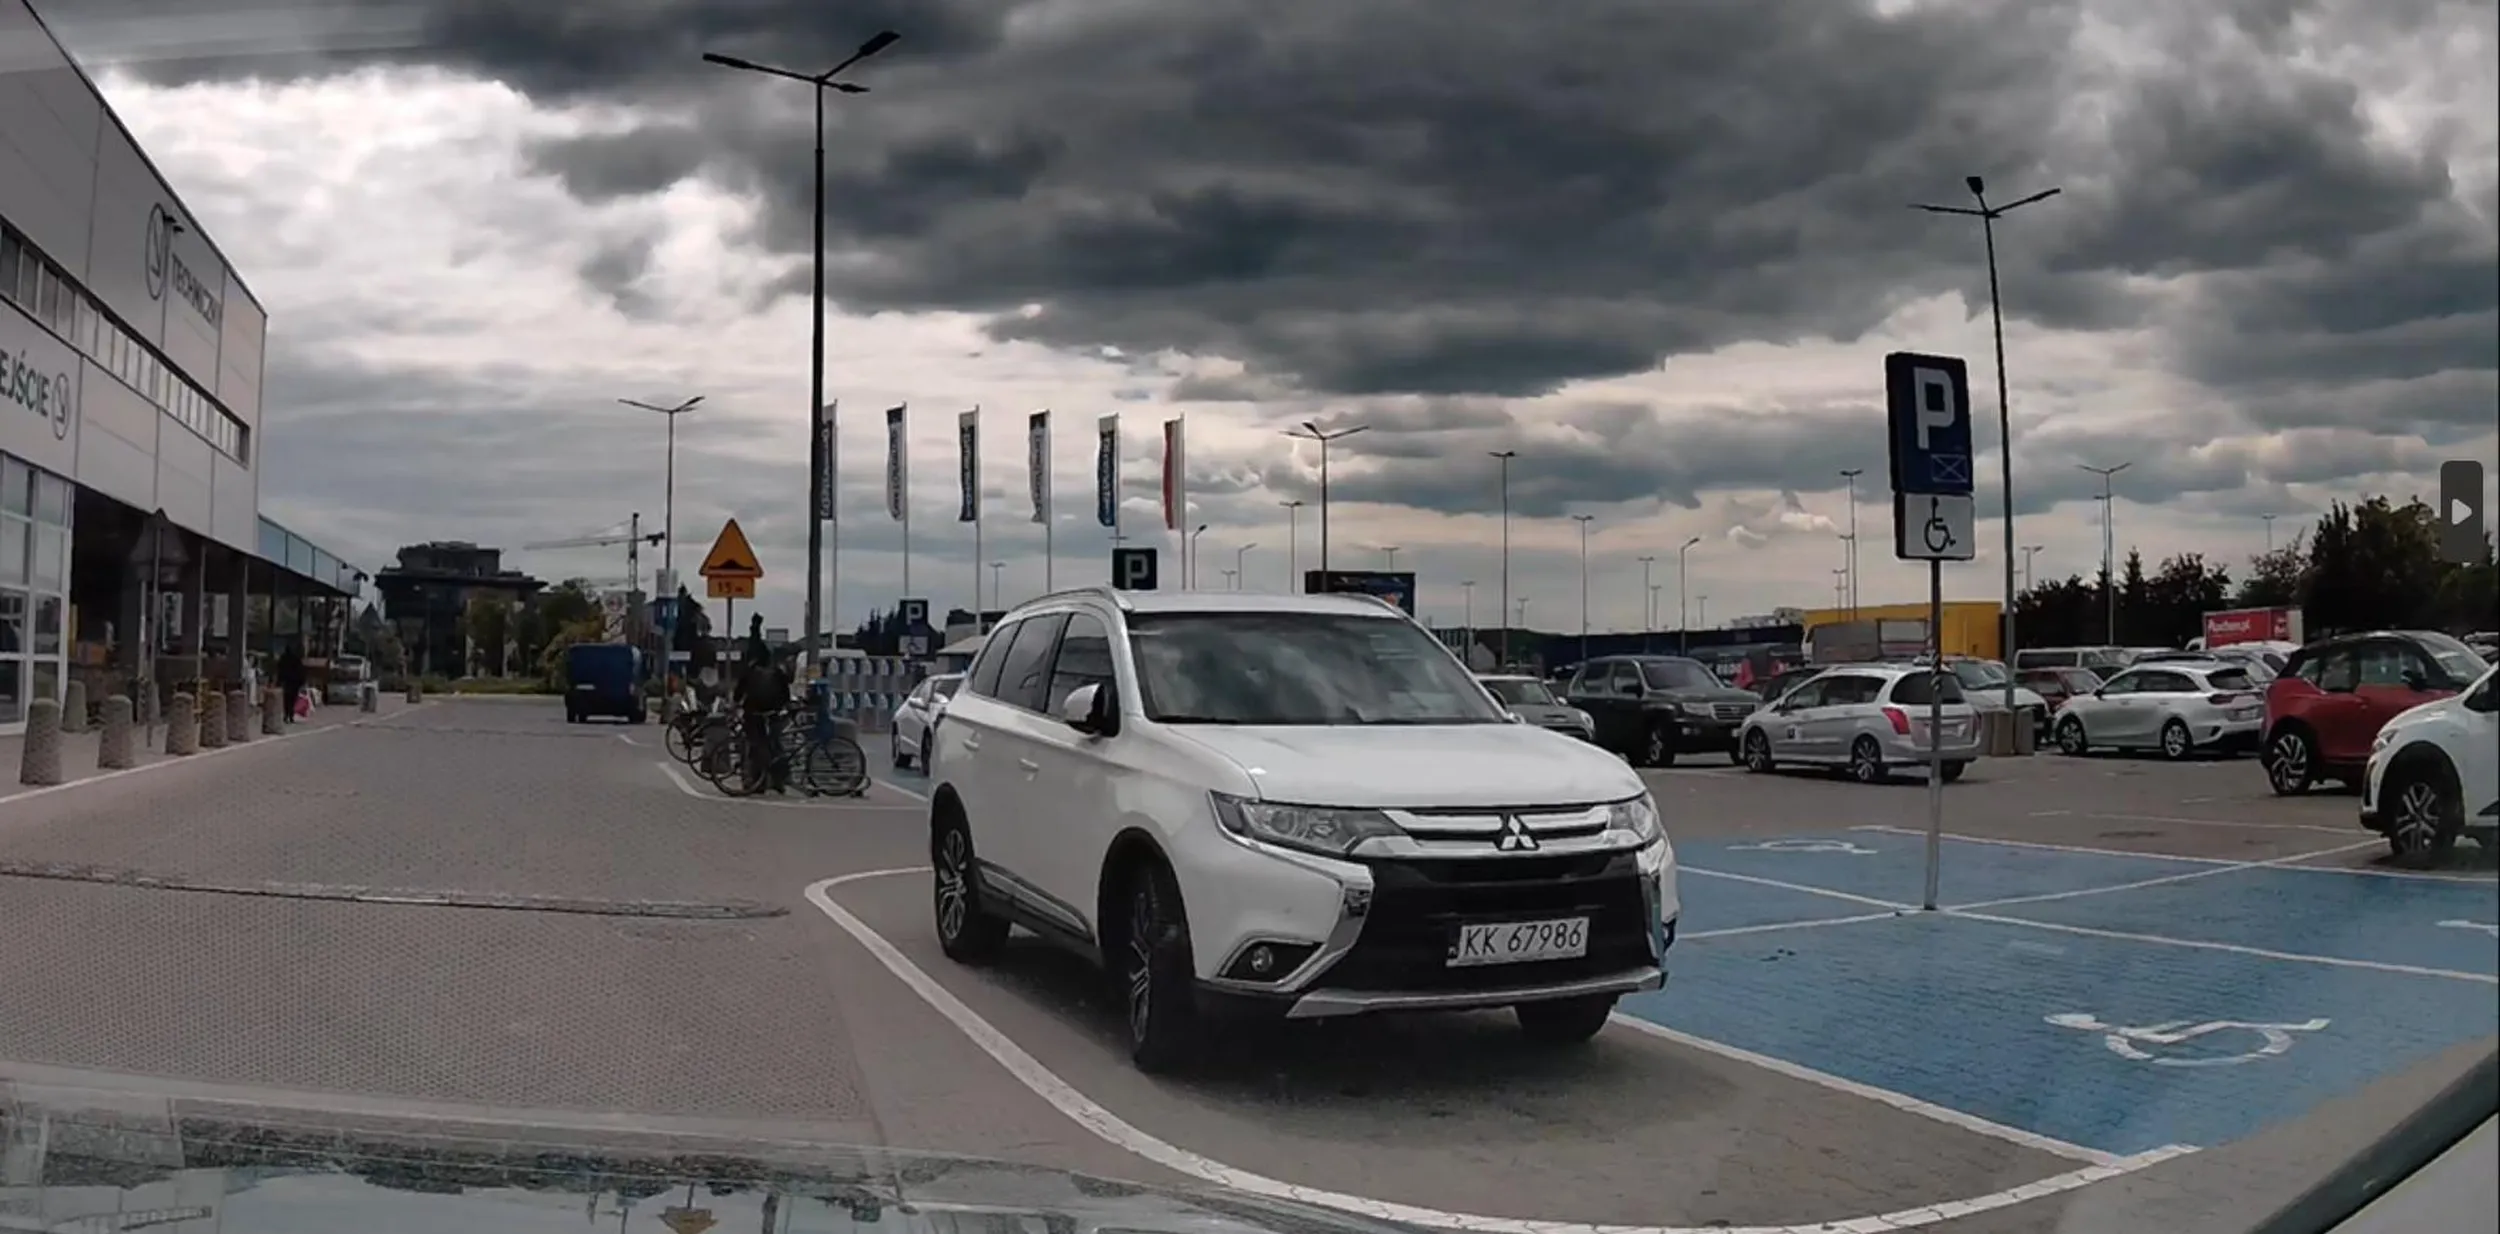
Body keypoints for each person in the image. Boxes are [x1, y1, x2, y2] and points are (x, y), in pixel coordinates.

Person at [733, 635, 793, 794]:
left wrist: (736, 703)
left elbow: (739, 691)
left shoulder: (750, 671)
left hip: (752, 713)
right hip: (772, 714)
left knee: (753, 746)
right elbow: (786, 694)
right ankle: (779, 779)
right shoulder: (777, 672)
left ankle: (753, 781)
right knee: (775, 745)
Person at [277, 647, 306, 725]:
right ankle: (290, 715)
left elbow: (280, 669)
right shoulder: (296, 659)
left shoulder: (284, 658)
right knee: (292, 699)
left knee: (287, 699)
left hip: (287, 682)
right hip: (294, 682)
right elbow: (301, 671)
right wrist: (302, 682)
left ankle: (287, 715)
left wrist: (279, 681)